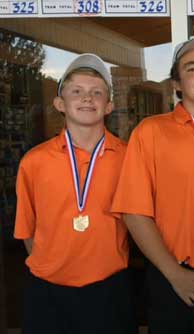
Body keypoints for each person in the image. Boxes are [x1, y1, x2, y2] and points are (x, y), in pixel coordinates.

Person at [111, 36, 194, 333]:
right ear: (176, 84)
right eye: (192, 68)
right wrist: (175, 275)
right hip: (173, 279)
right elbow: (134, 212)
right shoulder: (151, 132)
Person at [14, 53, 135, 334]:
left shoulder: (129, 158)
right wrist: (55, 269)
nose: (87, 99)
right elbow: (28, 230)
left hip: (109, 290)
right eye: (76, 92)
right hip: (48, 294)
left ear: (108, 106)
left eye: (96, 93)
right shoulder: (34, 161)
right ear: (60, 103)